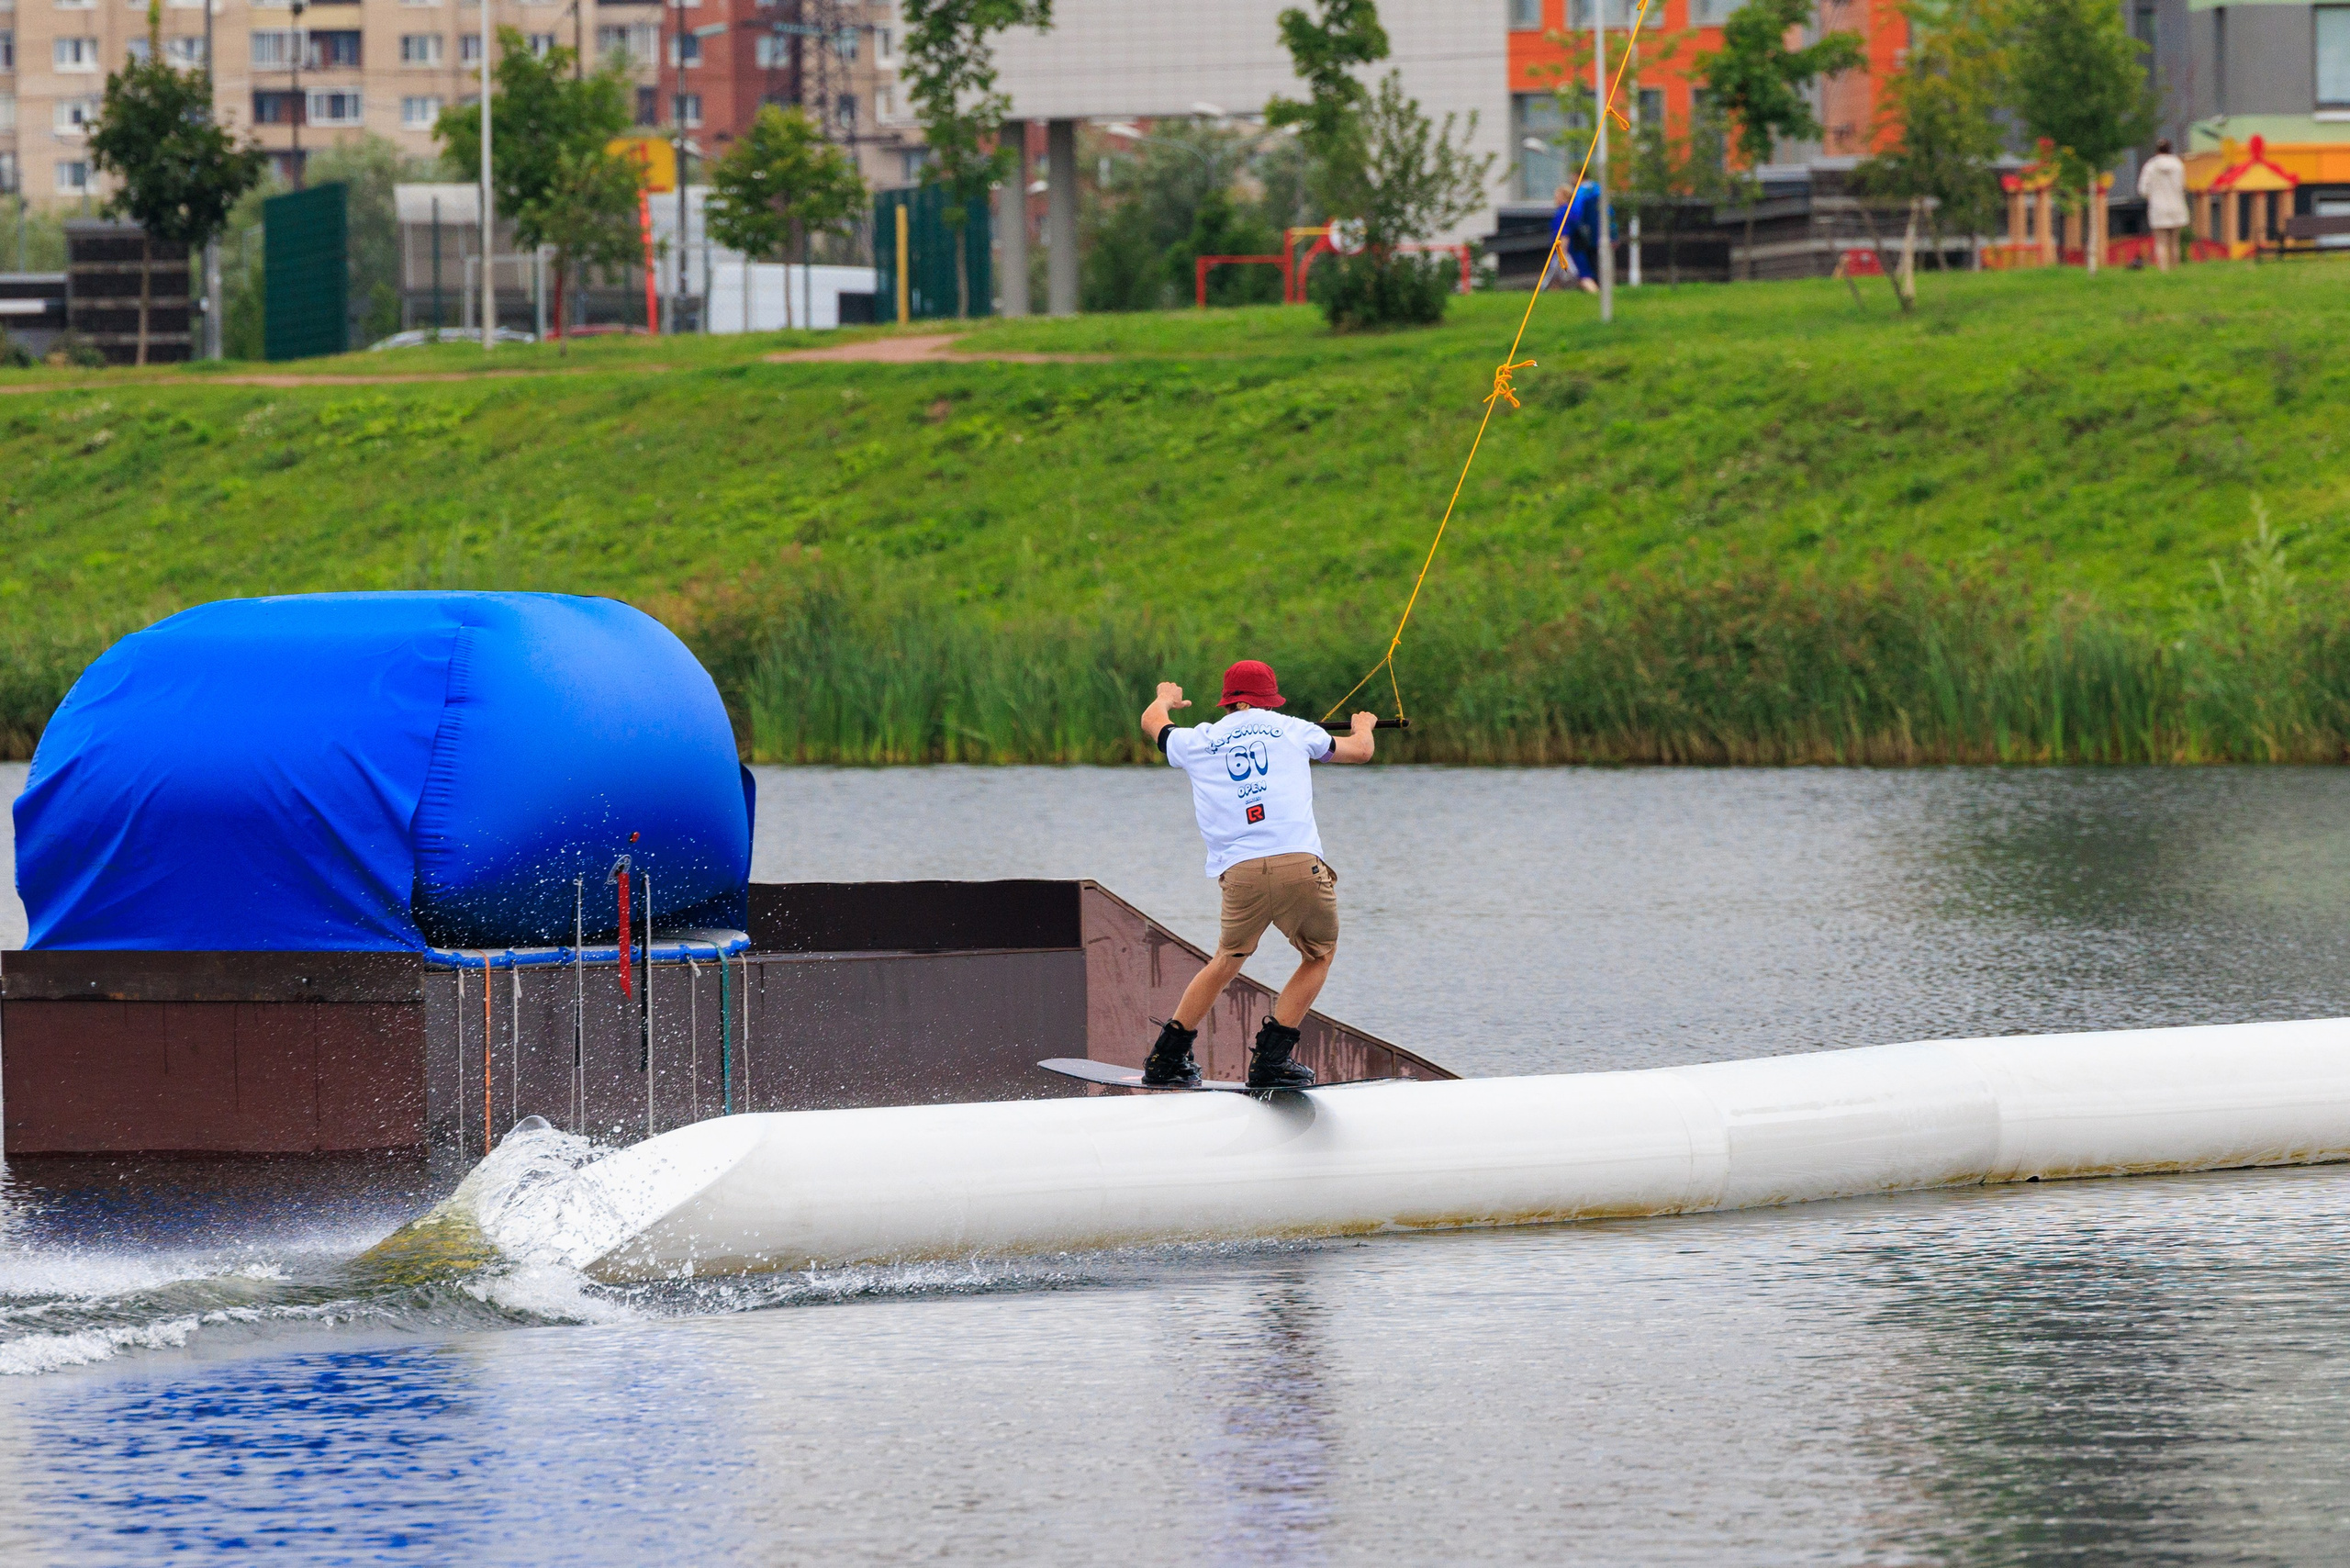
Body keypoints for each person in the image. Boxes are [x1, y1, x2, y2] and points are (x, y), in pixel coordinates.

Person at [1138, 660, 1377, 1091]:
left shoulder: (1199, 739)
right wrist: (1364, 725)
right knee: (1318, 955)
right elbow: (1360, 751)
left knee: (1226, 960)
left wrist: (1166, 698)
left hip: (1240, 874)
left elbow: (1153, 722)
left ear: (1231, 702)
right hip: (1297, 866)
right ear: (1265, 701)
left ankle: (1165, 1059)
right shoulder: (1293, 728)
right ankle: (1272, 1060)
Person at [1543, 181, 1603, 295]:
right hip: (1576, 250)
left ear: (1564, 196)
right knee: (1559, 280)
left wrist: (1562, 255)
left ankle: (1595, 295)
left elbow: (1564, 234)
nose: (1555, 198)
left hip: (1569, 252)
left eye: (1557, 195)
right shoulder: (1573, 211)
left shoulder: (1563, 212)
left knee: (1583, 277)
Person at [2139, 139, 2188, 273]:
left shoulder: (2150, 166)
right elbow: (2183, 186)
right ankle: (2175, 270)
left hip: (2158, 208)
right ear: (2170, 149)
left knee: (2161, 242)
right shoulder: (2178, 165)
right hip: (2176, 206)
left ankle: (2164, 270)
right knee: (2175, 242)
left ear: (2157, 150)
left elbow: (2143, 190)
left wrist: (2153, 195)